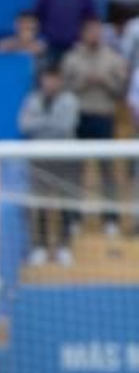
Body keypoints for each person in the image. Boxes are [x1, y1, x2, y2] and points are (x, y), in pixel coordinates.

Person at [59, 17, 127, 237]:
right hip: (78, 117)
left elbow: (121, 91)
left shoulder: (113, 59)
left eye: (98, 31)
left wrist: (105, 81)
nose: (94, 35)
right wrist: (83, 81)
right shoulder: (71, 58)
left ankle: (110, 218)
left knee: (106, 170)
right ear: (82, 33)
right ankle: (74, 219)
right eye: (90, 31)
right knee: (75, 170)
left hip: (104, 116)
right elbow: (63, 87)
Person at [17, 65, 79, 267]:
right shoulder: (32, 99)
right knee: (40, 205)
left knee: (65, 205)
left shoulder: (69, 100)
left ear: (60, 80)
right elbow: (24, 125)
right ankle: (40, 247)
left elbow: (65, 127)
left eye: (55, 78)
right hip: (39, 159)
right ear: (42, 79)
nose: (51, 83)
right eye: (47, 78)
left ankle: (63, 247)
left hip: (64, 159)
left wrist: (41, 123)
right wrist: (50, 122)